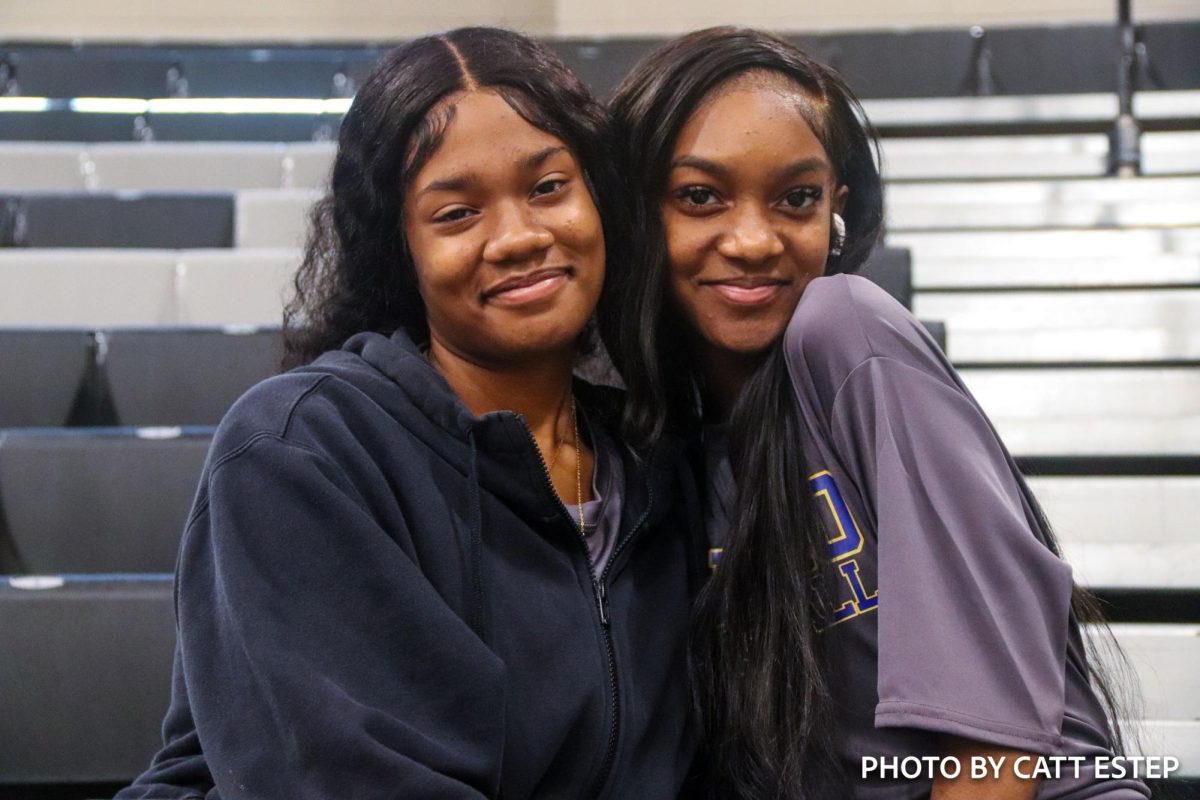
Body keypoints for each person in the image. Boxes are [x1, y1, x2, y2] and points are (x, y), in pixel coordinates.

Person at [117, 27, 703, 800]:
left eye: (548, 187)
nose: (519, 237)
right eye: (458, 213)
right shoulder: (302, 449)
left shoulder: (655, 463)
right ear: (402, 250)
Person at [608, 27, 1148, 800]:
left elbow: (991, 750)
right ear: (637, 213)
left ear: (836, 211)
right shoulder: (654, 442)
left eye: (796, 198)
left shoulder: (847, 331)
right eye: (701, 197)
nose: (755, 239)